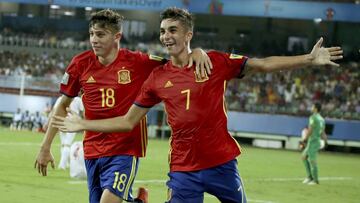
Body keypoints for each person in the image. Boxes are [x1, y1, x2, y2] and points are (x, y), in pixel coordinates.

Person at [52, 7, 343, 203]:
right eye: (163, 31)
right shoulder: (156, 78)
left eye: (174, 30)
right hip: (182, 170)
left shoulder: (214, 62)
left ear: (188, 34)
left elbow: (262, 65)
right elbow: (128, 121)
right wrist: (84, 124)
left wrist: (308, 59)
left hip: (222, 163)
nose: (166, 36)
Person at [33, 9, 211, 203]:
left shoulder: (139, 62)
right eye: (92, 34)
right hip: (92, 149)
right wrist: (45, 146)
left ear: (117, 36)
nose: (94, 39)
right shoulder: (80, 63)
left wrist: (197, 52)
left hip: (125, 149)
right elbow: (62, 105)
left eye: (101, 34)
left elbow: (176, 63)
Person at [53, 96, 84, 170]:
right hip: (72, 123)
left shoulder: (61, 98)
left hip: (62, 121)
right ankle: (62, 165)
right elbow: (83, 112)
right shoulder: (78, 100)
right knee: (67, 144)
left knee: (63, 144)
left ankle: (65, 163)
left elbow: (55, 111)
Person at [301, 102, 327, 185]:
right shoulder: (322, 119)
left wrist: (304, 139)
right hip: (316, 141)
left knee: (312, 160)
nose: (311, 107)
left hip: (313, 142)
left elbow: (310, 129)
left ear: (315, 108)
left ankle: (315, 180)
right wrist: (326, 141)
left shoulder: (313, 117)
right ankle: (309, 177)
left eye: (312, 106)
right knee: (304, 156)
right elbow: (323, 132)